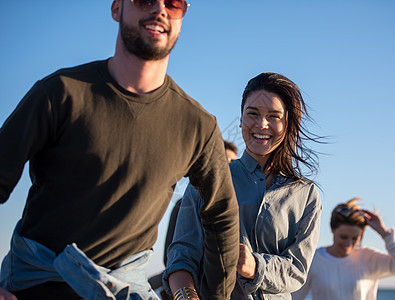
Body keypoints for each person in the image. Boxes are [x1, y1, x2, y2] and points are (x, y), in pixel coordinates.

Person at [0, 1, 239, 299]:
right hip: (35, 284)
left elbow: (222, 216)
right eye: (144, 0)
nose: (160, 10)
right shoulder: (60, 92)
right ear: (116, 9)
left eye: (174, 3)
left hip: (126, 291)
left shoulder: (198, 126)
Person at [164, 72, 323, 299]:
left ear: (288, 123)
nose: (261, 124)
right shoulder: (207, 181)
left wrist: (255, 266)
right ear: (240, 119)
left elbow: (297, 271)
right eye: (252, 114)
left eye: (274, 116)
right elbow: (181, 255)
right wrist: (186, 295)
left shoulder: (306, 195)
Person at [148, 140, 239, 299]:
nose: (228, 166)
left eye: (232, 162)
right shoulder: (185, 203)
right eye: (224, 160)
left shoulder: (241, 204)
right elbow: (173, 254)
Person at [292, 198, 395, 300]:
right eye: (343, 237)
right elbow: (294, 297)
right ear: (333, 229)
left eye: (355, 238)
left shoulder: (368, 258)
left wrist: (384, 233)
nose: (348, 243)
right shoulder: (314, 259)